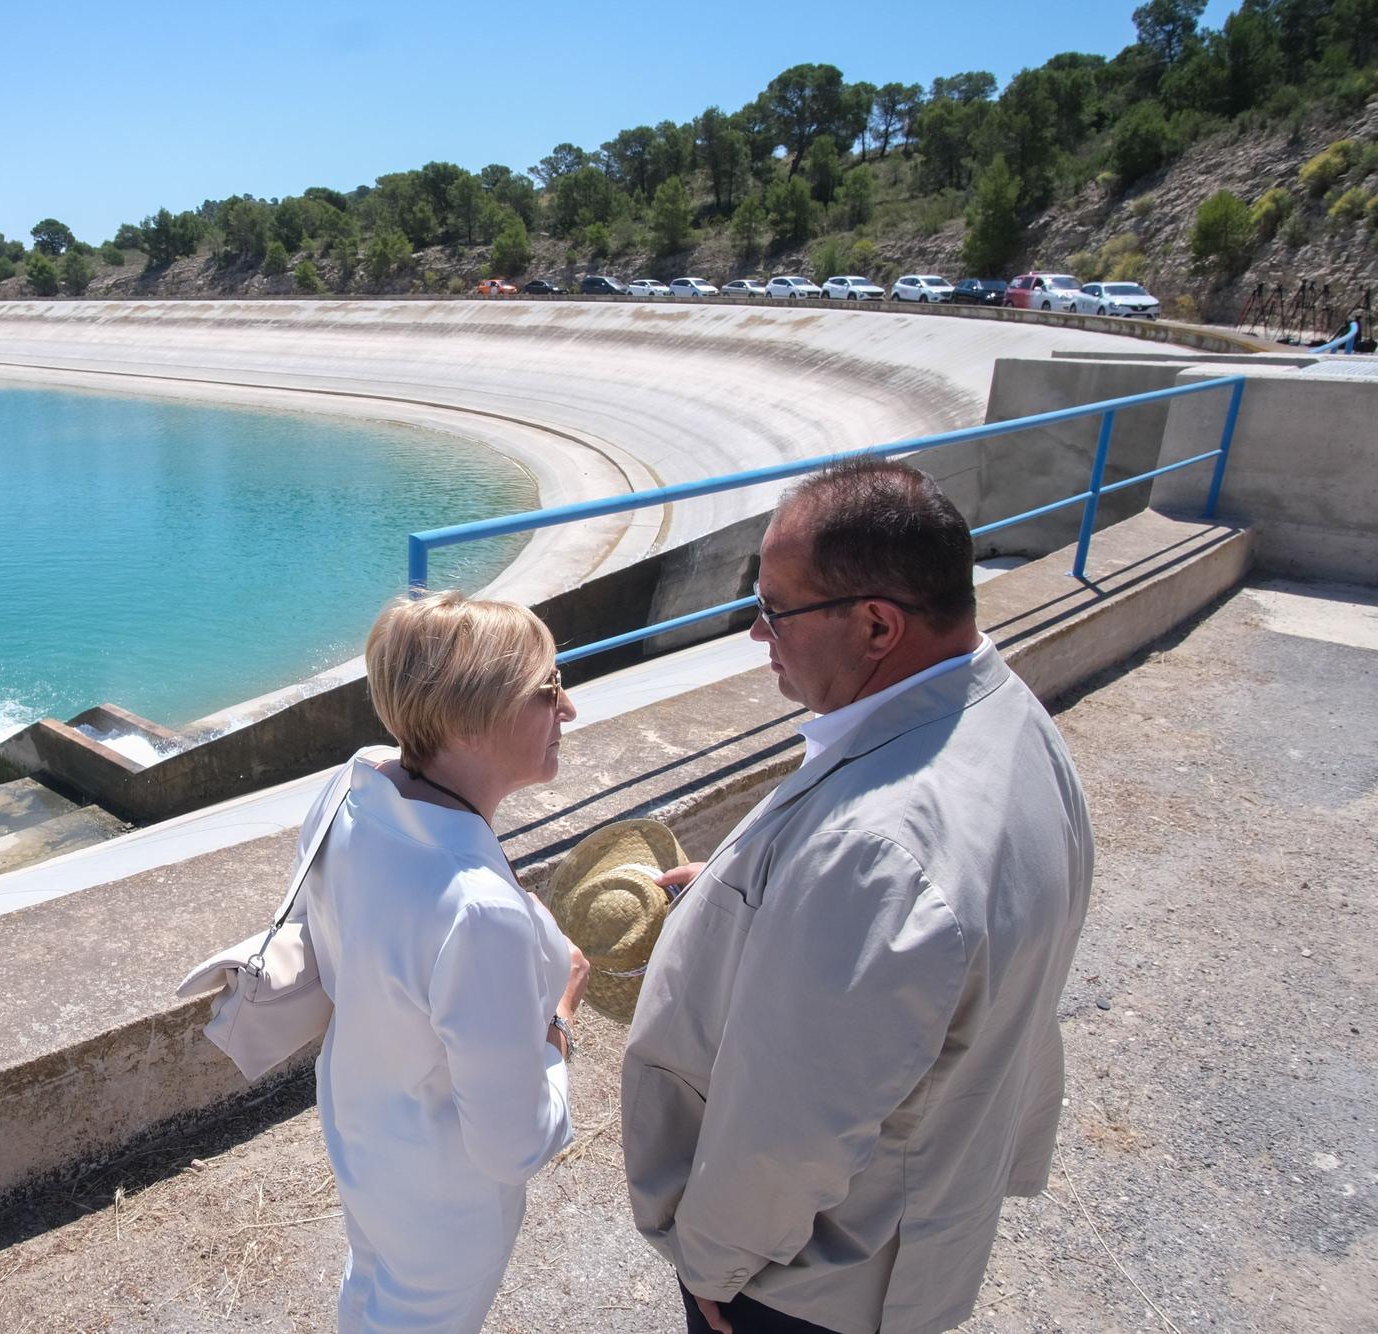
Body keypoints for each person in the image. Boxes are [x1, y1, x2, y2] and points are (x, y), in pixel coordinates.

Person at [621, 459, 1094, 1334]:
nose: (756, 636)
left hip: (806, 1288)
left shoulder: (874, 853)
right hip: (921, 1231)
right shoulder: (1011, 720)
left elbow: (788, 1134)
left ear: (877, 624)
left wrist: (713, 1266)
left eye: (774, 610)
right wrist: (746, 893)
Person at [302, 591, 590, 1332]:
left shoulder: (351, 787)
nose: (570, 709)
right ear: (468, 720)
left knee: (368, 1292)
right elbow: (513, 1143)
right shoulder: (477, 911)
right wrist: (559, 1021)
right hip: (443, 1202)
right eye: (548, 690)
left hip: (363, 1126)